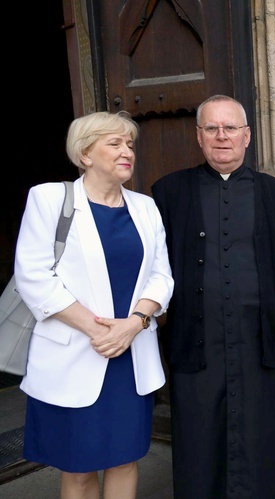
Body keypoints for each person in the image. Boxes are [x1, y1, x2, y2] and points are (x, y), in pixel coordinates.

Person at [13, 111, 174, 498]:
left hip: (129, 356)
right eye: (114, 143)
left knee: (125, 458)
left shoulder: (145, 207)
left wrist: (133, 323)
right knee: (79, 466)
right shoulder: (50, 198)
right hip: (75, 355)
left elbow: (162, 276)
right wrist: (99, 329)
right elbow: (33, 276)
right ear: (85, 154)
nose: (127, 152)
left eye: (130, 144)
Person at [151, 95, 275, 498]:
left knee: (262, 428)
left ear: (247, 136)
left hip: (257, 338)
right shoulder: (167, 192)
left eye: (230, 128)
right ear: (199, 137)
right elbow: (156, 264)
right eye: (212, 128)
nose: (222, 136)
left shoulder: (274, 194)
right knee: (200, 430)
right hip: (197, 338)